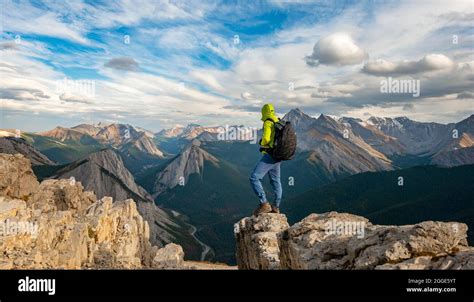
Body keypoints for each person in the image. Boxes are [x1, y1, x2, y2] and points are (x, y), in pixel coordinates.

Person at [250, 103, 282, 216]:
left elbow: (266, 138)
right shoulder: (278, 120)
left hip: (270, 155)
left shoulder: (268, 122)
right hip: (279, 156)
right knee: (276, 181)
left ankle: (264, 203)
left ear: (264, 112)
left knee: (254, 178)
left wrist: (262, 143)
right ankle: (276, 206)